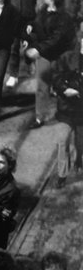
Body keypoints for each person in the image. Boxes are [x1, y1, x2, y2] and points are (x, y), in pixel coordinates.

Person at [23, 0, 75, 128]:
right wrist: (31, 26)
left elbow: (56, 39)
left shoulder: (64, 17)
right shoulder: (44, 9)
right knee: (41, 85)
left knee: (62, 85)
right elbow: (38, 23)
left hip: (60, 56)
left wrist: (38, 49)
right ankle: (40, 117)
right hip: (45, 54)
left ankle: (65, 113)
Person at [7, 0, 45, 87]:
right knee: (14, 45)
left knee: (29, 43)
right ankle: (13, 74)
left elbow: (41, 2)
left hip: (30, 18)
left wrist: (33, 22)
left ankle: (29, 63)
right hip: (13, 18)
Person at [51, 34, 83, 188]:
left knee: (80, 143)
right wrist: (65, 89)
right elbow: (56, 78)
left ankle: (79, 161)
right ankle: (62, 175)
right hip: (66, 110)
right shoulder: (66, 58)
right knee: (62, 142)